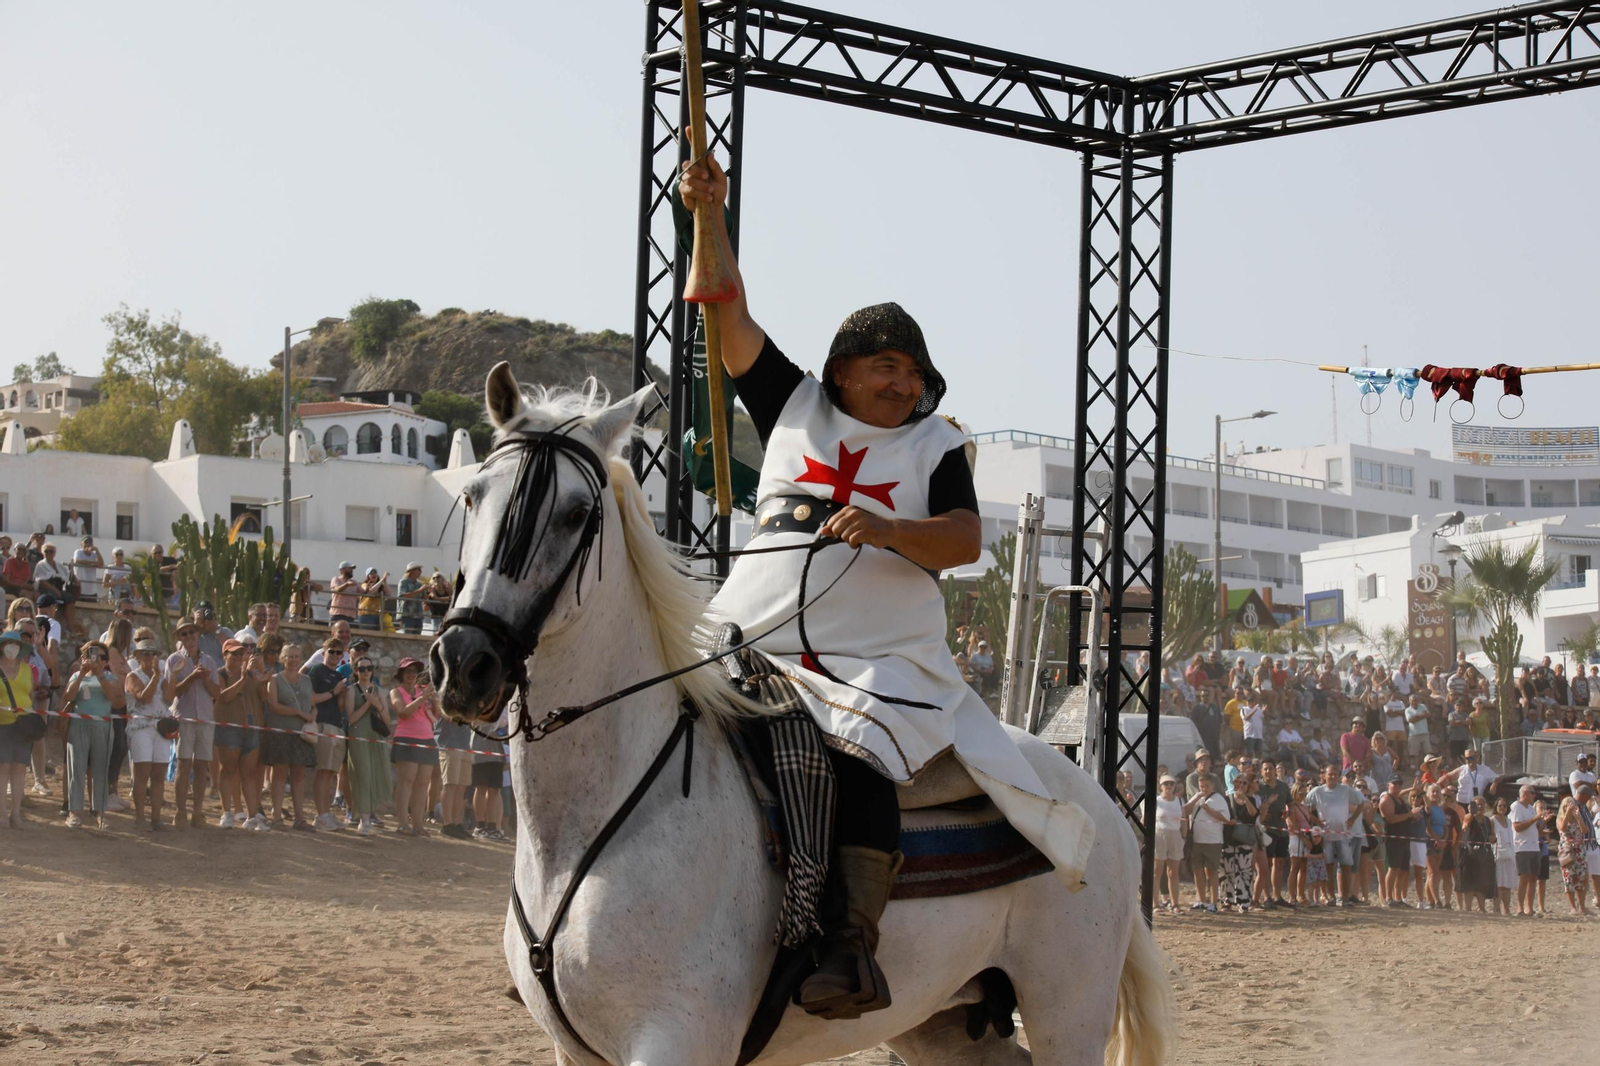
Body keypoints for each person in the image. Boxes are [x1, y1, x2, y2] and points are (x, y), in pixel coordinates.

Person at [684, 145, 1097, 1020]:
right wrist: (707, 213)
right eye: (888, 368)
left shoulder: (936, 444)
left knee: (858, 745)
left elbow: (962, 539)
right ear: (841, 371)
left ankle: (849, 942)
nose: (905, 385)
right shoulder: (790, 401)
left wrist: (889, 530)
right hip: (745, 632)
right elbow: (725, 309)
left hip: (877, 655)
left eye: (914, 374)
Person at [164, 618, 221, 829]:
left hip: (205, 717)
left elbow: (217, 693)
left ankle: (197, 812)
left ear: (197, 635)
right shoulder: (174, 660)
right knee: (183, 765)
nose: (189, 637)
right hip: (185, 717)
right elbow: (171, 693)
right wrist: (191, 677)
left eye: (191, 633)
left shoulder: (210, 661)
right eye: (184, 634)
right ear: (179, 638)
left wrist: (205, 679)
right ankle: (180, 812)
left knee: (201, 766)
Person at [60, 639, 123, 829]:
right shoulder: (76, 676)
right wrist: (81, 672)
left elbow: (113, 697)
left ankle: (100, 813)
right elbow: (69, 696)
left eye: (102, 657)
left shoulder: (110, 678)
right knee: (76, 768)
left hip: (102, 725)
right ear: (84, 657)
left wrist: (100, 674)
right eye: (91, 655)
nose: (97, 659)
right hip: (78, 725)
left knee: (99, 770)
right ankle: (74, 812)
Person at [213, 639, 268, 831]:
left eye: (240, 654)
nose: (238, 657)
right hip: (229, 727)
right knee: (227, 770)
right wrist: (243, 678)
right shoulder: (220, 674)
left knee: (249, 774)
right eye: (233, 654)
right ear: (225, 655)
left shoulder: (251, 675)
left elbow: (264, 696)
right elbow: (223, 697)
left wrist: (261, 673)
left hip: (251, 727)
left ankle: (253, 816)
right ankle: (227, 812)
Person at [261, 637, 315, 830]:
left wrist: (312, 716)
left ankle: (300, 818)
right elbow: (274, 706)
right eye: (290, 656)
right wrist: (298, 712)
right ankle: (276, 816)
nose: (293, 660)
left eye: (297, 656)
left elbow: (312, 704)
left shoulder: (307, 680)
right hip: (281, 732)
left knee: (299, 776)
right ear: (283, 659)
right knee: (279, 774)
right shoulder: (275, 679)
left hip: (301, 733)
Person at [124, 636, 173, 831]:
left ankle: (156, 817)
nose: (150, 657)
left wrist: (173, 675)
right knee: (142, 773)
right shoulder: (132, 676)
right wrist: (154, 676)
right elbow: (144, 698)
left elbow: (169, 698)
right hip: (141, 727)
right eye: (145, 653)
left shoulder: (162, 676)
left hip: (160, 726)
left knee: (159, 773)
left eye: (153, 653)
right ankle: (140, 817)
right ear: (137, 656)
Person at [345, 653, 392, 835]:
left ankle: (369, 817)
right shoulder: (351, 690)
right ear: (356, 671)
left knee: (374, 775)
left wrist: (377, 704)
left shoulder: (378, 690)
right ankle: (363, 820)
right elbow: (351, 719)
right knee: (362, 776)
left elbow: (387, 719)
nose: (365, 672)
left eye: (369, 668)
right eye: (362, 669)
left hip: (375, 736)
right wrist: (368, 704)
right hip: (358, 737)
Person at [389, 658, 438, 836]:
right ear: (401, 674)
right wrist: (423, 698)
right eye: (407, 671)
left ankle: (418, 824)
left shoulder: (423, 691)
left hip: (427, 739)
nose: (411, 674)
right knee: (406, 783)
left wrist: (435, 700)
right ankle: (402, 823)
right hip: (407, 738)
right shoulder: (396, 691)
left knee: (422, 784)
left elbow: (437, 715)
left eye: (414, 671)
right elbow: (403, 712)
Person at [1307, 763, 1364, 906]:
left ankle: (1344, 898)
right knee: (1328, 867)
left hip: (1344, 835)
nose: (1332, 776)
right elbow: (1304, 806)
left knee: (1346, 866)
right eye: (1329, 774)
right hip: (1325, 837)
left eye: (1335, 774)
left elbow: (1361, 803)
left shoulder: (1346, 790)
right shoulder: (1317, 791)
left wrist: (1352, 819)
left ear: (1338, 776)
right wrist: (1315, 820)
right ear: (1324, 775)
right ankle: (1330, 897)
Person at [306, 638, 349, 830]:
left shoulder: (338, 675)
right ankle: (321, 814)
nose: (335, 655)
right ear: (324, 653)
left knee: (331, 773)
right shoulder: (316, 671)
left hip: (336, 724)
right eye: (331, 651)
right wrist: (333, 692)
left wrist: (340, 695)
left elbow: (340, 707)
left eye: (339, 653)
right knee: (323, 772)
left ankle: (326, 813)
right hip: (323, 724)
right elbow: (310, 698)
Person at [0, 629, 36, 829]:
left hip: (23, 724)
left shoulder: (27, 669)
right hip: (1, 724)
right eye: (7, 644)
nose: (11, 648)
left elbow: (30, 694)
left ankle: (16, 813)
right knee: (3, 767)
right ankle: (2, 814)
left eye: (15, 645)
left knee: (20, 768)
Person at [1185, 773, 1230, 914]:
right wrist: (1196, 799)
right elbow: (1185, 810)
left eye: (1206, 786)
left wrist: (1209, 810)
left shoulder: (1218, 799)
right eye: (1201, 786)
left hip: (1213, 841)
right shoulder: (1197, 797)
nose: (1204, 788)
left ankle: (1213, 902)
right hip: (1197, 840)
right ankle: (1201, 900)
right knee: (1197, 870)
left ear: (1212, 785)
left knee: (1211, 871)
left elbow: (1226, 819)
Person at [435, 697, 475, 839]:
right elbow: (448, 716)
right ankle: (447, 824)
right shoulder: (444, 695)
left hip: (465, 745)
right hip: (449, 745)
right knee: (450, 784)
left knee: (461, 787)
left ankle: (457, 823)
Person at [1219, 773, 1258, 912]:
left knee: (1245, 872)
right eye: (1238, 782)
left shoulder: (1251, 800)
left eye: (1244, 783)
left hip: (1244, 841)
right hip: (1229, 839)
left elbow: (1253, 814)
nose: (1240, 785)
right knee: (1227, 872)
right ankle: (1227, 901)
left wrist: (1245, 799)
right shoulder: (1227, 799)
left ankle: (1244, 902)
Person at [1379, 777, 1420, 907]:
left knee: (1403, 869)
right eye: (1394, 783)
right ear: (1388, 784)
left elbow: (1400, 795)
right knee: (1393, 868)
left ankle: (1398, 898)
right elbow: (1390, 819)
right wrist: (1409, 815)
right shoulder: (1386, 799)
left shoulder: (1399, 799)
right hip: (1394, 838)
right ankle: (1388, 898)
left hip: (1404, 838)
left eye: (1400, 783)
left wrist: (1412, 817)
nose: (1397, 786)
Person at [470, 713, 509, 842]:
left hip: (497, 750)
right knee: (481, 787)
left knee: (495, 789)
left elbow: (504, 721)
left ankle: (492, 827)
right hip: (480, 747)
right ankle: (480, 826)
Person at [1457, 795, 1496, 913]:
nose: (1479, 807)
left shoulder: (1487, 820)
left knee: (1481, 882)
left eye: (1481, 804)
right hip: (1470, 853)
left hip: (1483, 853)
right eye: (1477, 804)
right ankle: (1468, 908)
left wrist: (1492, 837)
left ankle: (1482, 908)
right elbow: (1465, 823)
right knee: (1469, 882)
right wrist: (1471, 812)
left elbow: (1491, 834)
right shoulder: (1470, 818)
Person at [1509, 784, 1543, 917]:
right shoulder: (1516, 806)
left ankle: (1529, 908)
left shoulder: (1530, 808)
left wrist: (1543, 822)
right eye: (1532, 793)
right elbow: (1517, 827)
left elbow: (1534, 828)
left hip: (1534, 846)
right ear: (1525, 793)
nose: (1534, 796)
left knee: (1533, 877)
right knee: (1524, 877)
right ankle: (1519, 907)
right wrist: (1535, 818)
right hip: (1522, 847)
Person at [1153, 775, 1185, 913]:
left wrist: (1184, 837)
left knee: (1173, 872)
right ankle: (1155, 903)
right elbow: (1145, 819)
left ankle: (1175, 903)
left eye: (1171, 783)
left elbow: (1184, 820)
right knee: (1157, 871)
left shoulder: (1179, 801)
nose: (1169, 786)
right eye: (1166, 783)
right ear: (1160, 786)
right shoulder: (1156, 801)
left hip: (1175, 835)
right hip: (1159, 834)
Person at [1557, 794, 1591, 916]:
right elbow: (1562, 827)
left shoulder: (1578, 817)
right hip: (1567, 851)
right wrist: (1567, 814)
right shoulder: (1560, 818)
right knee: (1569, 878)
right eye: (1567, 805)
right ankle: (1573, 907)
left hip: (1579, 850)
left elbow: (1584, 830)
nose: (1570, 807)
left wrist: (1578, 817)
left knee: (1582, 877)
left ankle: (1582, 906)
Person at [1490, 796, 1517, 915]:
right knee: (1499, 883)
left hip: (1509, 854)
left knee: (1508, 884)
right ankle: (1496, 908)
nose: (1502, 808)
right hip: (1498, 855)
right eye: (1500, 805)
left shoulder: (1509, 821)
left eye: (1504, 806)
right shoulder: (1493, 820)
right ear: (1496, 807)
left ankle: (1507, 909)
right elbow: (1490, 837)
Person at [72, 536, 104, 604]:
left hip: (92, 591)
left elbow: (101, 564)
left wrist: (97, 551)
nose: (88, 544)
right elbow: (76, 561)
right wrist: (93, 563)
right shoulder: (78, 552)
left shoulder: (94, 554)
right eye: (86, 542)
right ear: (82, 544)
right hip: (80, 589)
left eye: (90, 542)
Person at [396, 562, 426, 635]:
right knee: (407, 637)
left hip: (418, 615)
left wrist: (428, 591)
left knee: (418, 637)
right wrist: (420, 590)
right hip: (407, 615)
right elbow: (403, 596)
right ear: (412, 571)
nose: (420, 572)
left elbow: (424, 598)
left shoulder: (419, 584)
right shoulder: (403, 582)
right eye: (418, 569)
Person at [1404, 694, 1431, 766]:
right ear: (1410, 701)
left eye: (1415, 700)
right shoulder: (1407, 710)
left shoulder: (1422, 706)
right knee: (1415, 753)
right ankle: (1417, 770)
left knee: (1427, 752)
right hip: (1414, 734)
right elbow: (1410, 720)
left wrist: (1416, 716)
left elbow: (1427, 714)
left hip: (1424, 732)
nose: (1414, 702)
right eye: (1412, 701)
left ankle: (1428, 767)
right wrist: (1422, 716)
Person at [1240, 691, 1265, 757]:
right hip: (1249, 735)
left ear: (1254, 702)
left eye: (1251, 701)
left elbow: (1265, 719)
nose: (1250, 702)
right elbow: (1246, 718)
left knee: (1259, 752)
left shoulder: (1259, 709)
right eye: (1248, 701)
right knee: (1250, 752)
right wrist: (1254, 710)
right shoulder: (1244, 709)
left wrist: (1264, 712)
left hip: (1258, 735)